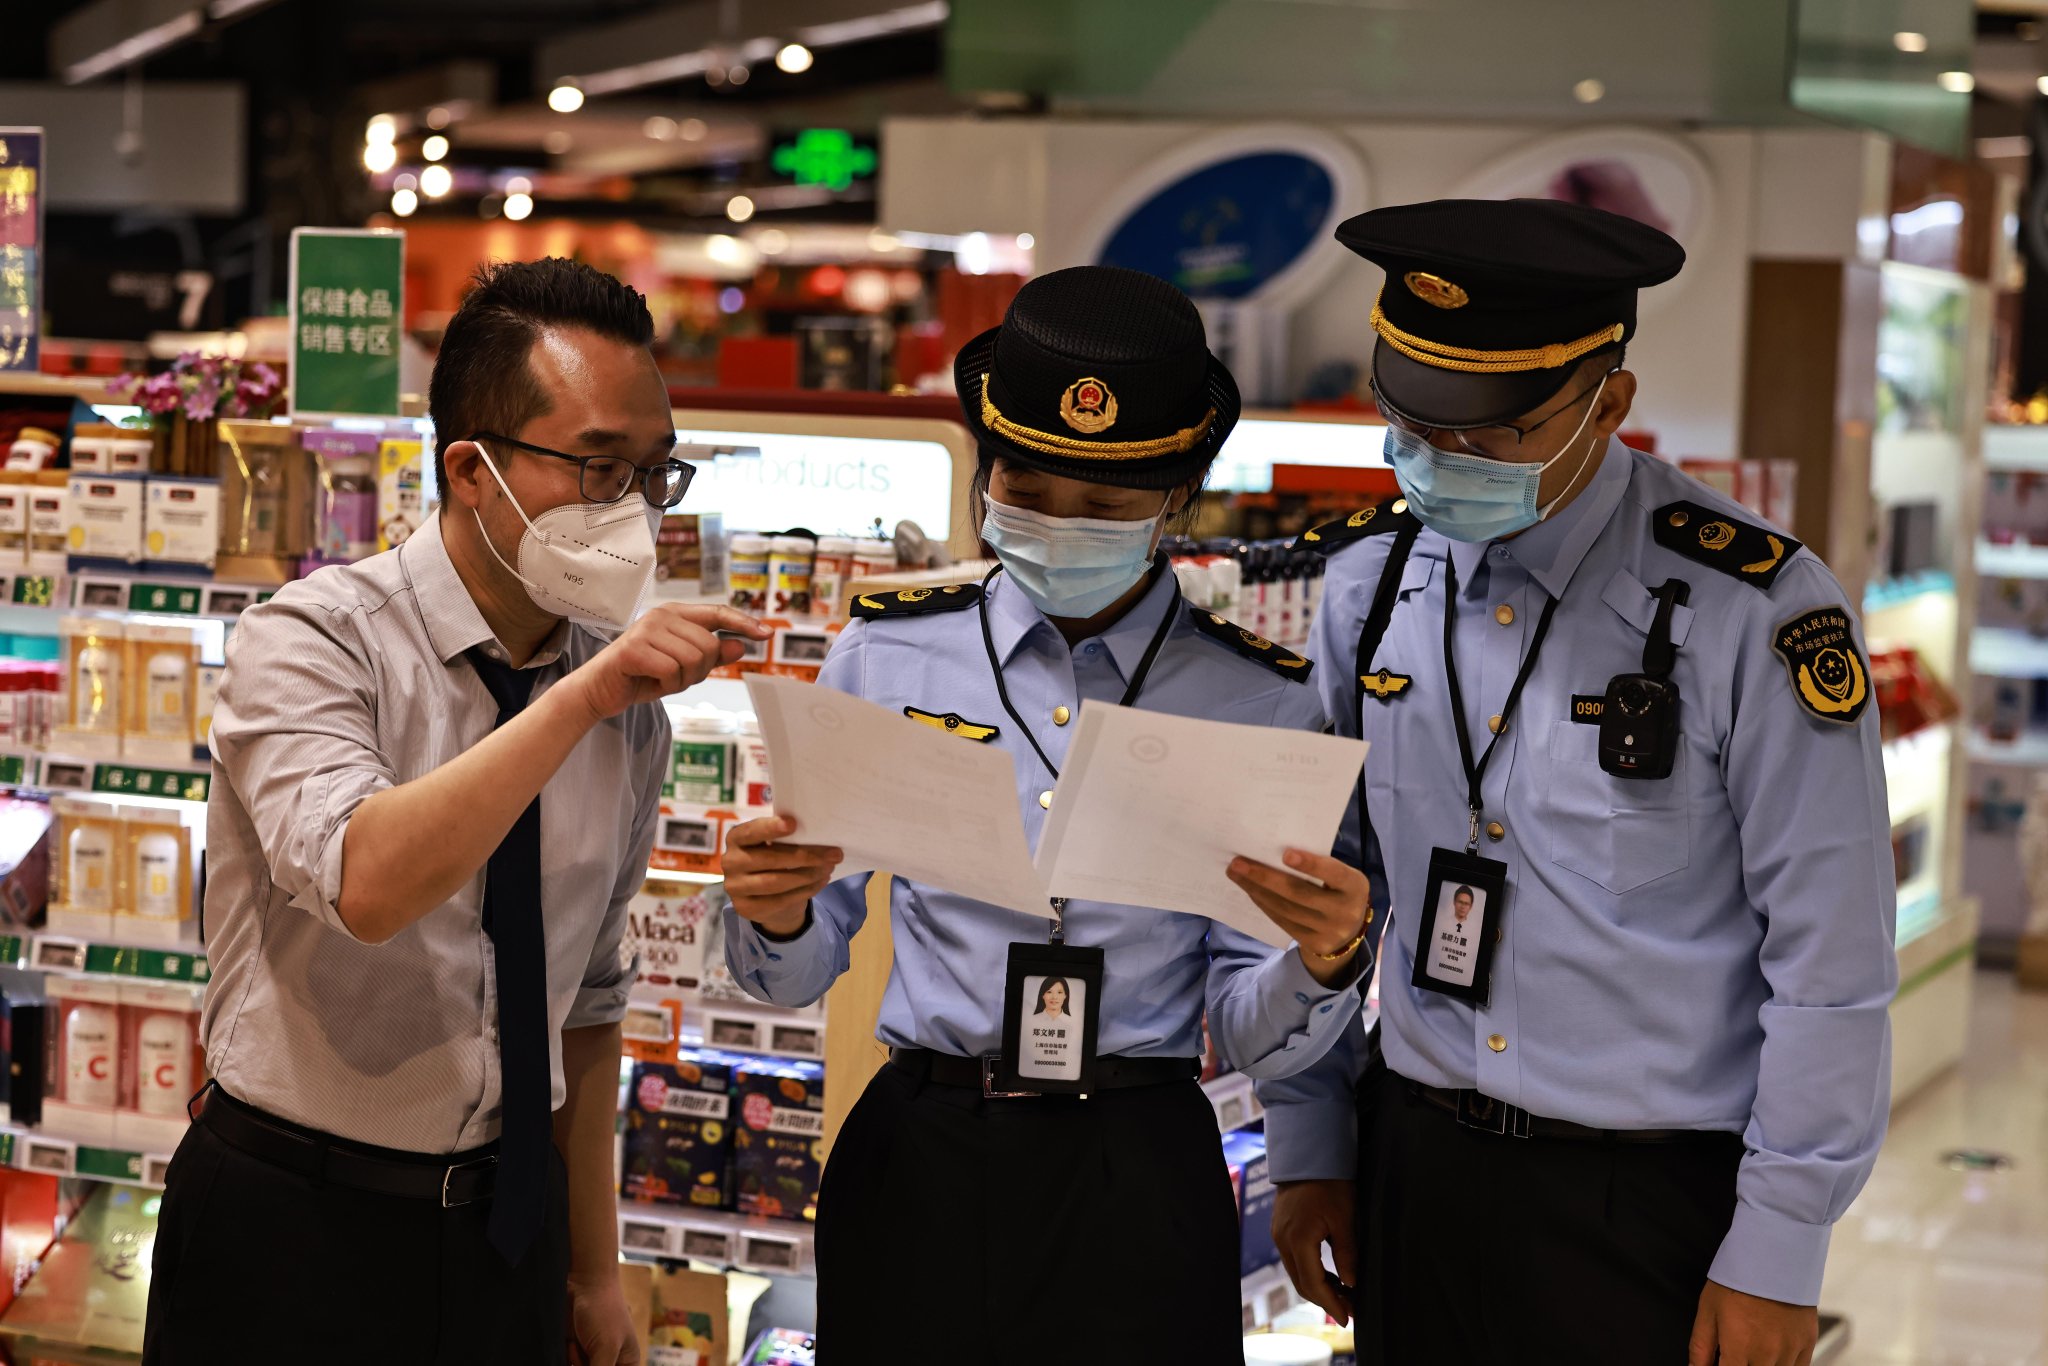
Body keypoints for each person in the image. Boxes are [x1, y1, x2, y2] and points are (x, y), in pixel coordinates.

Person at [1258, 199, 1897, 1366]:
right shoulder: (1369, 584)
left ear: (1605, 402)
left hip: (1643, 1201)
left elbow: (1830, 966)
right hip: (1415, 1167)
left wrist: (1777, 1248)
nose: (1435, 464)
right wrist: (1313, 1146)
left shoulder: (1751, 608)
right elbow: (1319, 892)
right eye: (1408, 422)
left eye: (1487, 433)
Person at [720, 266, 1375, 1362]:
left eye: (1106, 507)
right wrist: (778, 915)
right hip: (917, 1145)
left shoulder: (1259, 699)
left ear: (1175, 500)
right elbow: (789, 971)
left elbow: (1247, 1025)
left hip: (1138, 1155)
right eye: (1025, 490)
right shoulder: (887, 651)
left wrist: (1318, 961)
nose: (1060, 525)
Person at [145, 259, 769, 1365]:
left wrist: (591, 1267)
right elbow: (367, 882)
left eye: (653, 474)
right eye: (596, 466)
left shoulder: (621, 709)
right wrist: (578, 699)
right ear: (472, 470)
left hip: (505, 1234)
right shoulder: (315, 640)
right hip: (292, 1220)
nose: (629, 507)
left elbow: (583, 999)